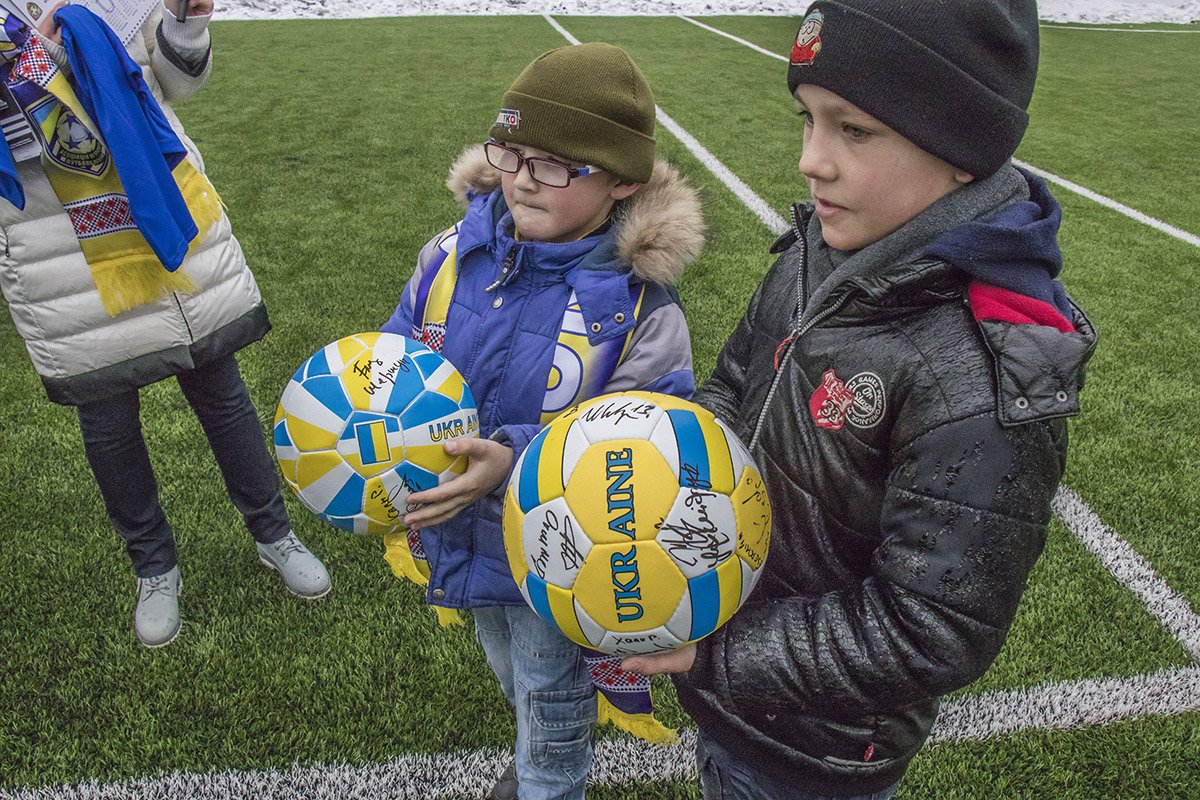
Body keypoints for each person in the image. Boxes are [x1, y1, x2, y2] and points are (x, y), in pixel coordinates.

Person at [621, 2, 1098, 798]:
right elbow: (738, 382)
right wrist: (667, 472)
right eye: (808, 120)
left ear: (959, 147)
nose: (812, 160)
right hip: (731, 692)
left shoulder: (976, 375)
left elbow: (932, 626)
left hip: (817, 754)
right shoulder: (821, 248)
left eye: (853, 130)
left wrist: (722, 656)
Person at [380, 42, 703, 800]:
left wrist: (513, 459)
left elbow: (640, 451)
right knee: (512, 671)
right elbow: (397, 357)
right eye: (512, 151)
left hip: (561, 564)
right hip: (462, 532)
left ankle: (549, 778)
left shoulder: (636, 311)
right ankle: (538, 749)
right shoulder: (451, 256)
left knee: (551, 694)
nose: (522, 176)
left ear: (621, 179)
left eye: (555, 163)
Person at [0, 1, 330, 649]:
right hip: (55, 243)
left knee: (220, 390)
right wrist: (29, 62)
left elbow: (176, 83)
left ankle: (273, 533)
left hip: (160, 206)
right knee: (108, 421)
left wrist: (185, 24)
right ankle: (155, 568)